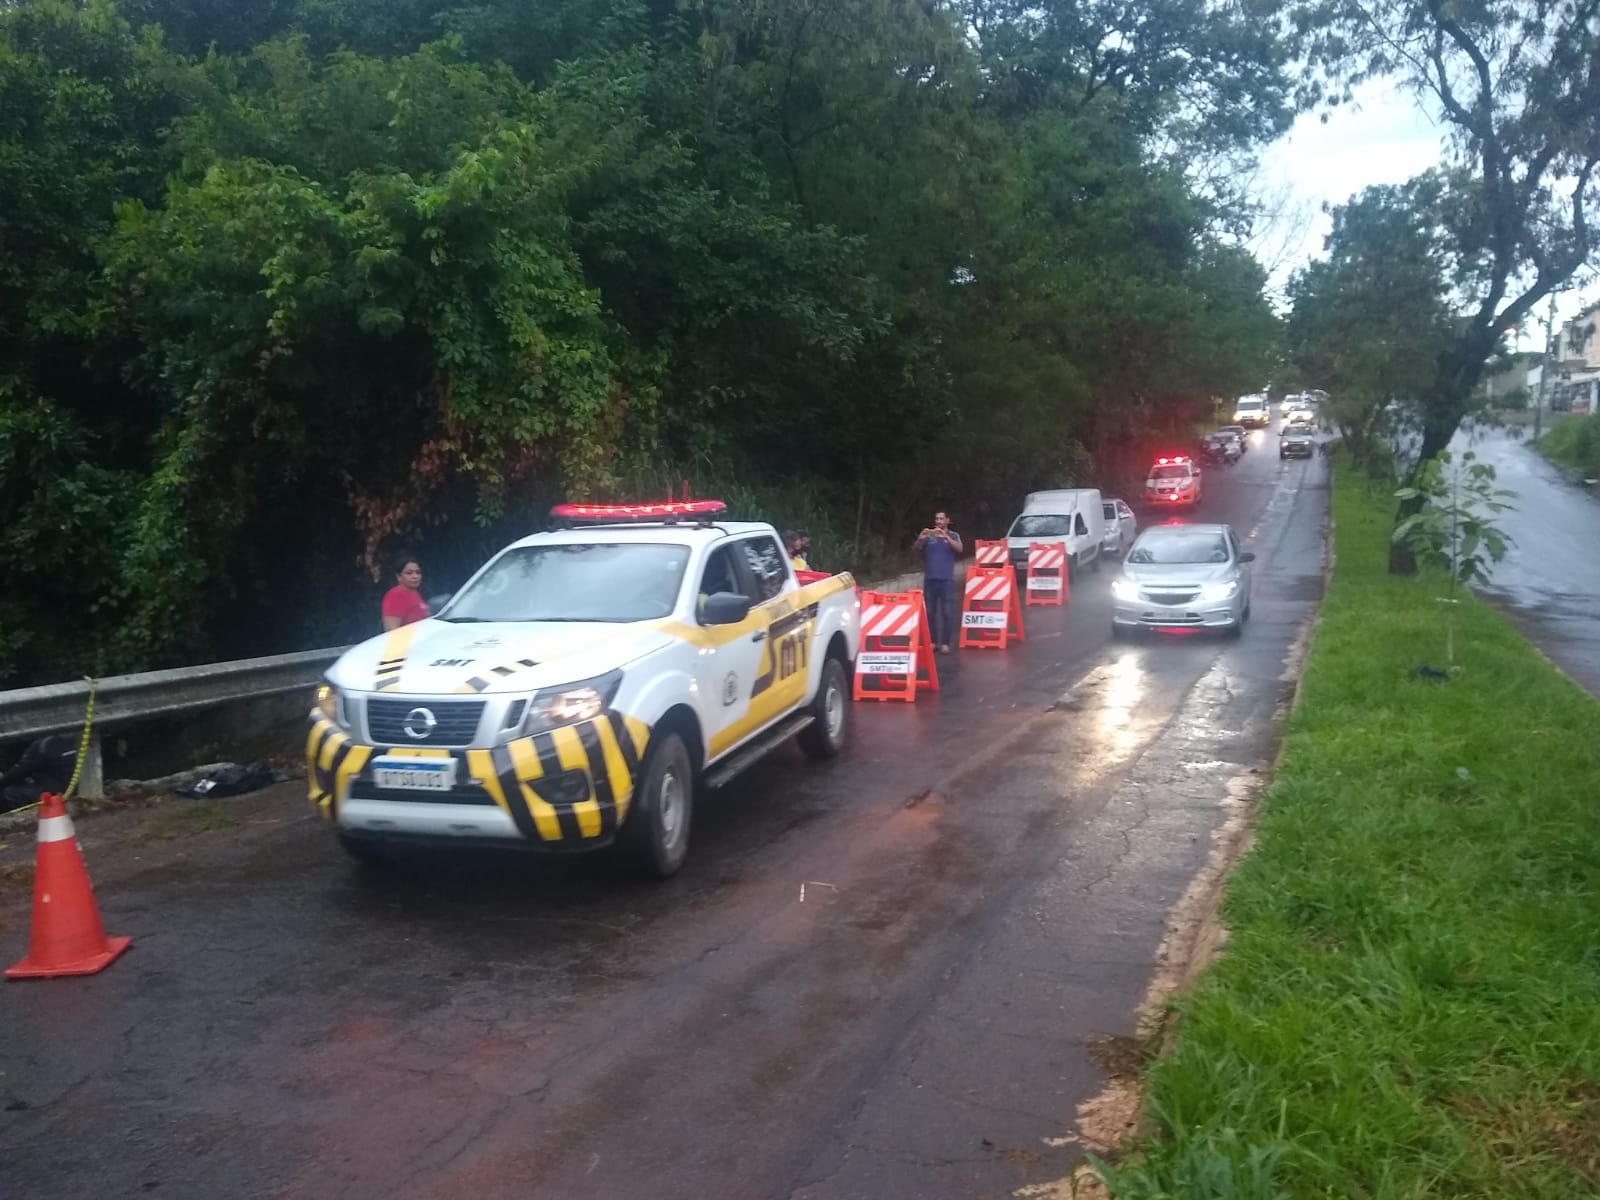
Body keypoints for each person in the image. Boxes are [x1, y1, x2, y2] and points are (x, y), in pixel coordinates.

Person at [914, 511, 963, 653]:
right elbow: (916, 549)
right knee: (930, 612)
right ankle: (933, 642)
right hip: (930, 580)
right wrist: (920, 538)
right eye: (936, 519)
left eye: (941, 519)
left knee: (947, 612)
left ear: (947, 520)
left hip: (946, 580)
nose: (938, 521)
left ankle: (946, 643)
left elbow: (960, 549)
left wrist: (946, 537)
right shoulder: (928, 536)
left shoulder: (953, 535)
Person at [0, 734, 78, 813]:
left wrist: (2, 783)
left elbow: (20, 771)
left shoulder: (44, 744)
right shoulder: (77, 739)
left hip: (51, 791)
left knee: (9, 794)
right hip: (72, 786)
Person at [381, 557, 430, 631]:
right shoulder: (395, 595)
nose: (415, 576)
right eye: (409, 573)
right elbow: (391, 629)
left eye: (418, 572)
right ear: (399, 577)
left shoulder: (415, 593)